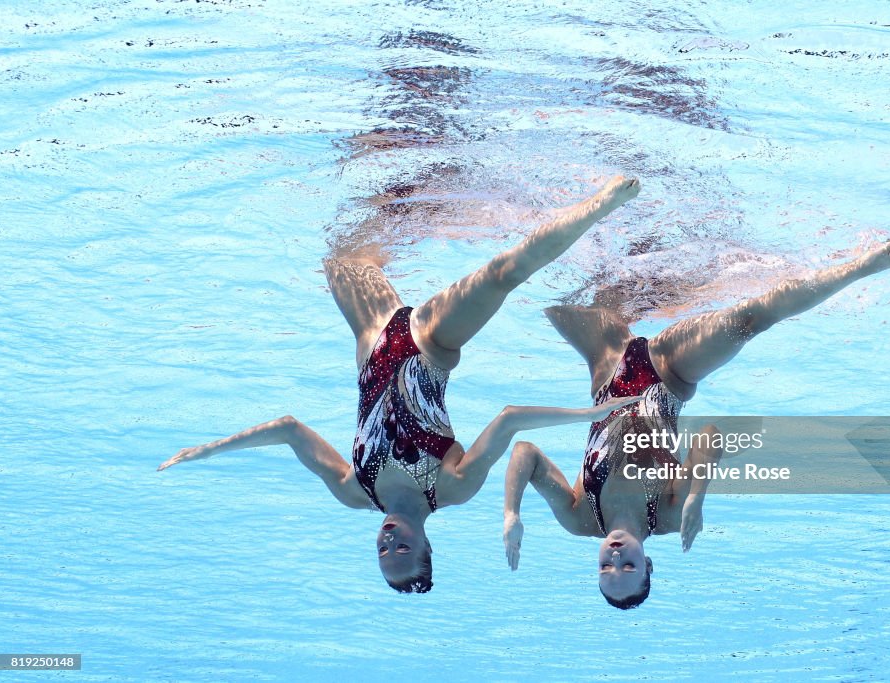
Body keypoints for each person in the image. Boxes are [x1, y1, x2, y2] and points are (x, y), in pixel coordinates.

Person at [158, 176, 642, 593]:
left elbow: (287, 428)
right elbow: (510, 419)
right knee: (501, 274)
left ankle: (424, 177)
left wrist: (209, 449)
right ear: (426, 545)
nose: (389, 541)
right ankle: (601, 204)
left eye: (383, 551)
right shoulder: (452, 488)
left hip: (372, 335)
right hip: (429, 343)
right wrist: (588, 416)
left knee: (355, 239)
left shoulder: (356, 493)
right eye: (403, 548)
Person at [502, 240, 890, 608]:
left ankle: (656, 269)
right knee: (748, 321)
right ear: (649, 565)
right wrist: (696, 496)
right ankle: (859, 268)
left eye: (605, 569)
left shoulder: (580, 519)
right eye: (629, 568)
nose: (616, 558)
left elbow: (526, 453)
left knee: (593, 278)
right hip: (669, 372)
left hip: (606, 363)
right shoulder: (672, 516)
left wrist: (512, 514)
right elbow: (710, 437)